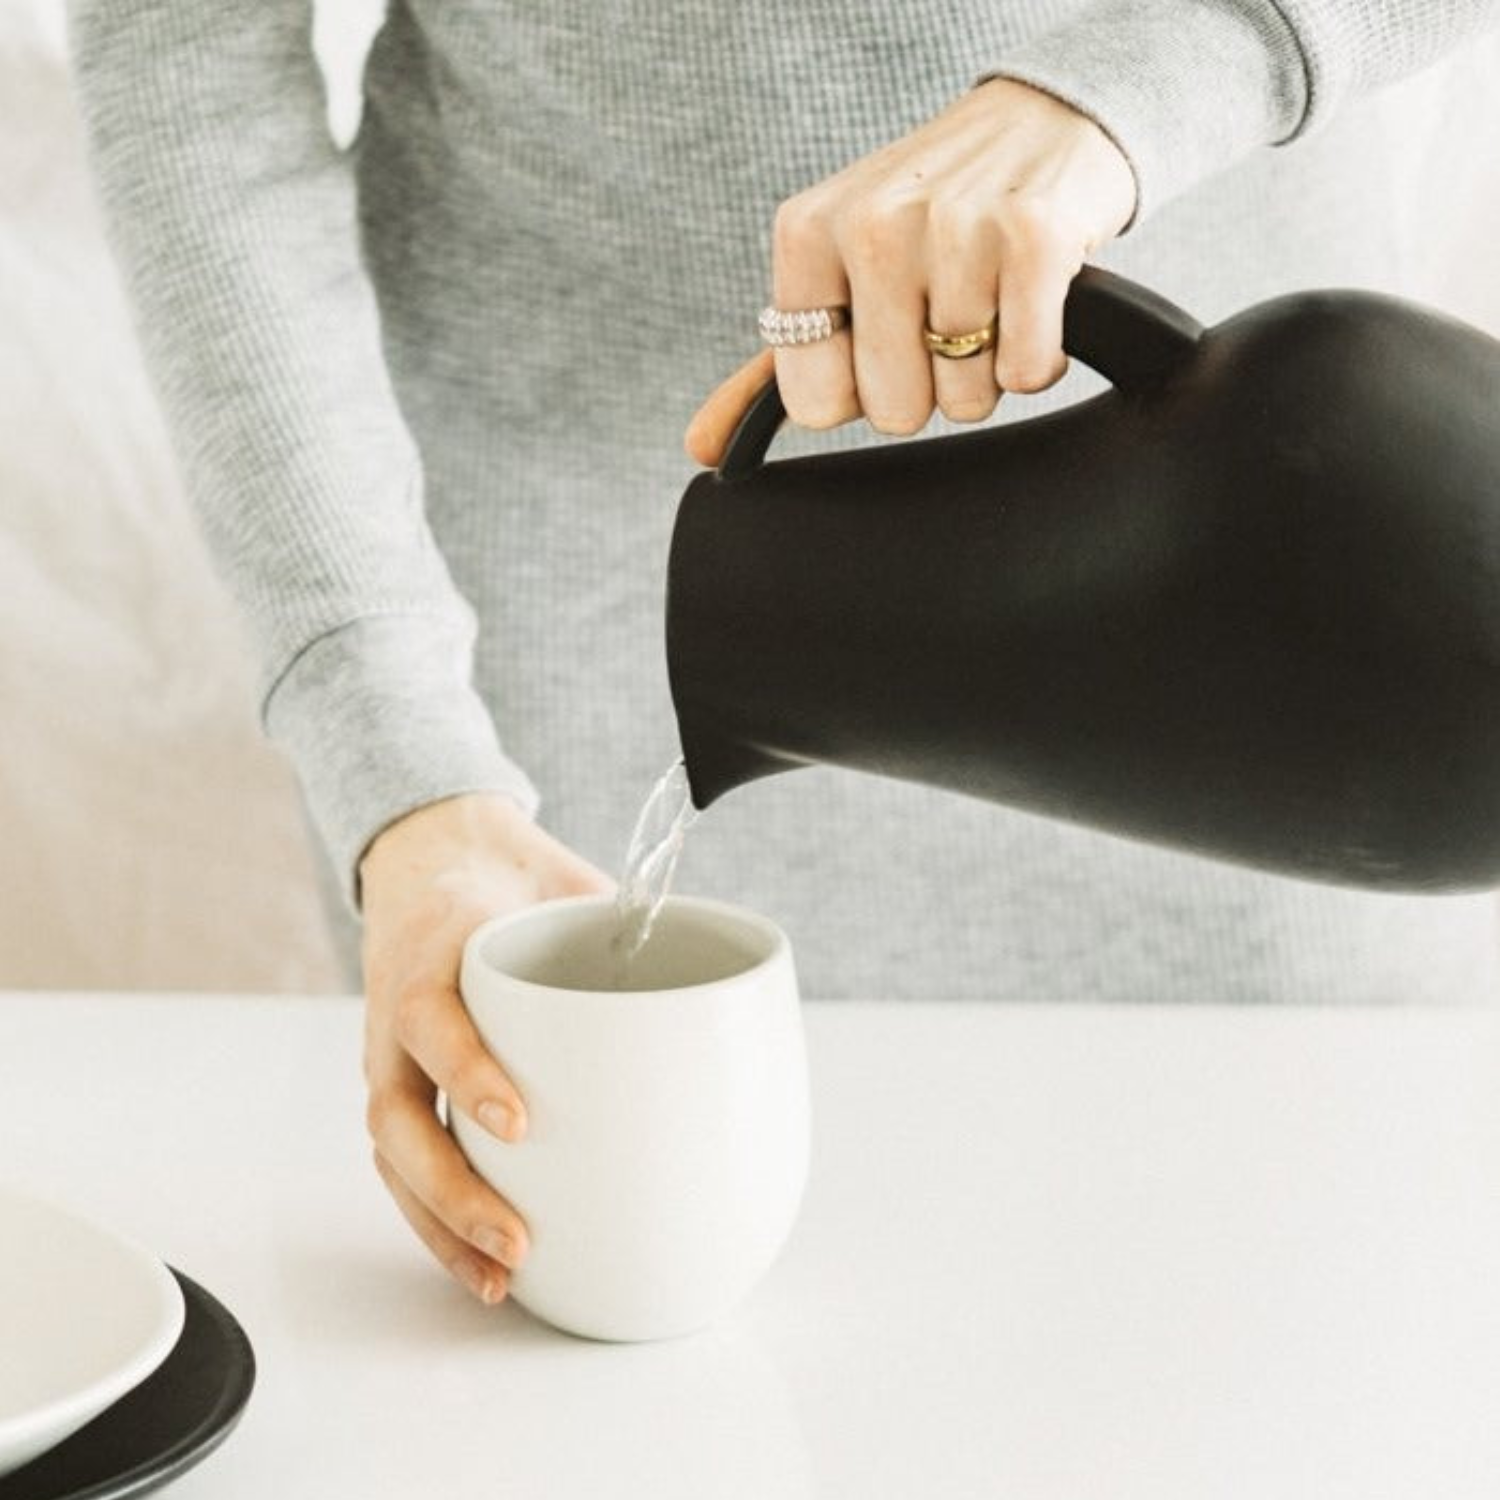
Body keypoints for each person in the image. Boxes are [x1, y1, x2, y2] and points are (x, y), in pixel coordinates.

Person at [68, 1, 1500, 1307]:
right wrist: (393, 750)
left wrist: (1169, 69)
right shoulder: (481, 759)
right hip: (538, 681)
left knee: (1299, 1329)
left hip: (1301, 627)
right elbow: (183, 56)